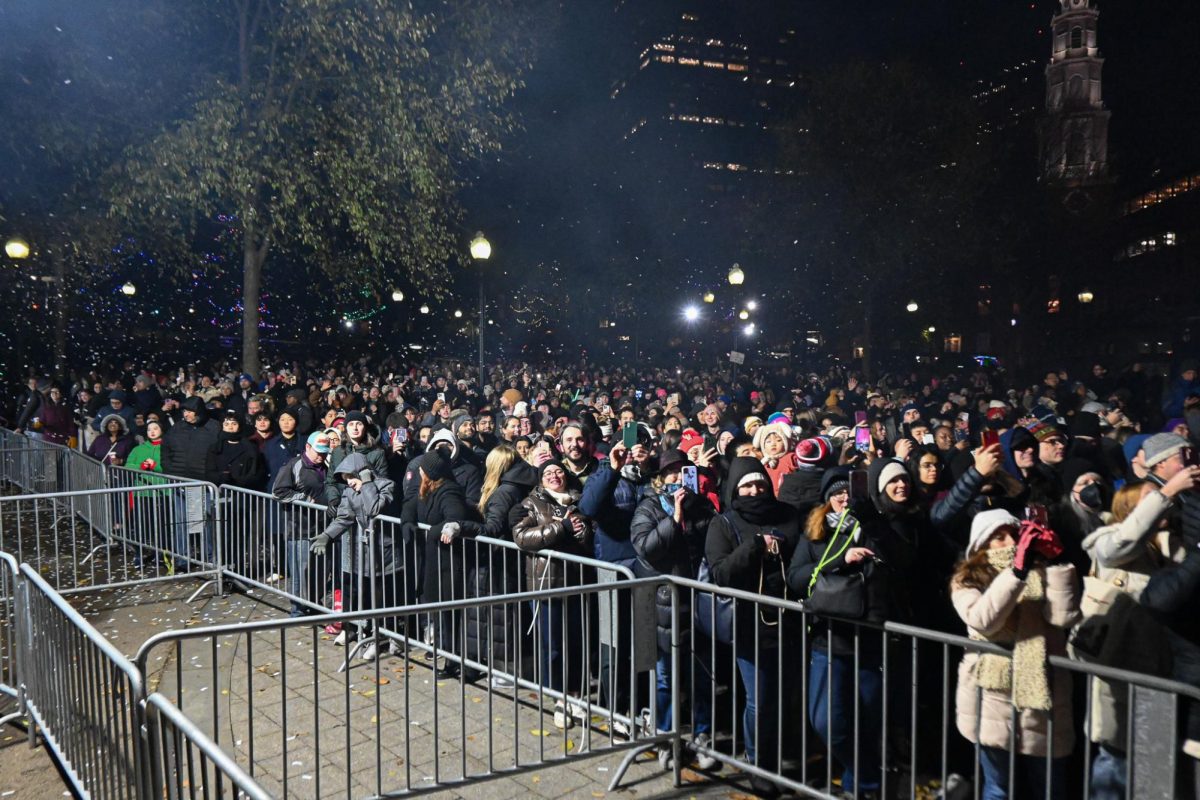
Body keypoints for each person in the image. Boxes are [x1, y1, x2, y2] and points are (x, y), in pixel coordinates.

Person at [950, 511, 1079, 800]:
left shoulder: (1041, 570)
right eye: (999, 537)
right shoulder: (967, 579)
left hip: (1043, 696)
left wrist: (1057, 563)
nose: (1009, 541)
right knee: (998, 788)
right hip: (993, 696)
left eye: (1013, 534)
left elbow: (1063, 617)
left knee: (1049, 788)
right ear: (982, 544)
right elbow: (983, 620)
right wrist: (1017, 573)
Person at [786, 467, 886, 796]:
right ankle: (868, 778)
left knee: (868, 721)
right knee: (827, 721)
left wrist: (871, 526)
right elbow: (796, 577)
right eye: (837, 493)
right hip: (827, 639)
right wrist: (839, 560)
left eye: (849, 492)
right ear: (826, 499)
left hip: (868, 638)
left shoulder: (871, 525)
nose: (844, 497)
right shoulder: (815, 530)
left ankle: (860, 786)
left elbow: (894, 566)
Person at [704, 456, 799, 799]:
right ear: (735, 489)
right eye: (747, 485)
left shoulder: (789, 516)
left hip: (789, 623)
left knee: (784, 697)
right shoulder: (724, 524)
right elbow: (721, 573)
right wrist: (756, 546)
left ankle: (781, 755)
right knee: (760, 700)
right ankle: (759, 765)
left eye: (760, 484)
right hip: (750, 625)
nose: (755, 490)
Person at [630, 448, 717, 770]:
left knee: (701, 674)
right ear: (660, 478)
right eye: (672, 472)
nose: (678, 477)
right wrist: (675, 518)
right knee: (666, 675)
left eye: (684, 471)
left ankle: (702, 735)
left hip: (697, 602)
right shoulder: (648, 507)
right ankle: (666, 735)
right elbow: (647, 549)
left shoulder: (704, 506)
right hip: (663, 603)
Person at [510, 459, 593, 729]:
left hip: (578, 582)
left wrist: (582, 531)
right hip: (547, 585)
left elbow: (585, 538)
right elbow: (522, 537)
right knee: (553, 647)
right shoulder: (531, 503)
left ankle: (576, 697)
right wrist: (561, 529)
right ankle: (559, 700)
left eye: (558, 471)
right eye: (548, 473)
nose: (554, 476)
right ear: (540, 479)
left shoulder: (578, 500)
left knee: (577, 644)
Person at [309, 451, 397, 660]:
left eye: (351, 477)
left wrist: (366, 484)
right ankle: (369, 634)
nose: (348, 482)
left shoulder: (386, 485)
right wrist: (326, 536)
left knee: (386, 598)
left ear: (363, 472)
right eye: (345, 479)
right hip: (364, 553)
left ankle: (387, 637)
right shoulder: (349, 492)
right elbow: (344, 518)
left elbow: (374, 507)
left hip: (385, 554)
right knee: (366, 597)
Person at [272, 431, 332, 616]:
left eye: (324, 452)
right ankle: (297, 610)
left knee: (320, 571)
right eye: (318, 452)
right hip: (299, 528)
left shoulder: (326, 465)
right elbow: (278, 491)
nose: (321, 456)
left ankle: (314, 603)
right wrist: (304, 499)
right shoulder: (294, 465)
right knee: (300, 572)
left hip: (322, 527)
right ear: (307, 447)